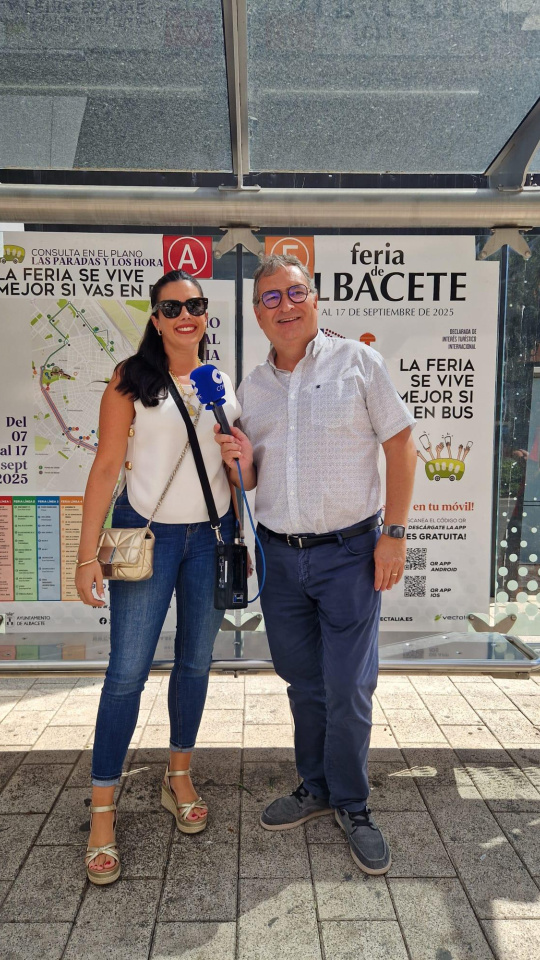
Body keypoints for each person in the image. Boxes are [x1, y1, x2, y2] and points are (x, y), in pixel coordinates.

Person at [215, 253, 416, 876]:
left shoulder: (360, 363)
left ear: (316, 298)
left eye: (294, 293)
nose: (284, 306)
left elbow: (403, 448)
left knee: (349, 686)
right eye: (270, 298)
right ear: (257, 313)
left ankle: (354, 803)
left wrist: (395, 535)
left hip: (352, 555)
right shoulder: (253, 386)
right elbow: (250, 479)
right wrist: (240, 460)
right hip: (280, 557)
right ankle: (316, 785)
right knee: (302, 682)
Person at [75, 269, 240, 885]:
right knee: (126, 674)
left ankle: (178, 775)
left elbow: (238, 475)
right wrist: (86, 554)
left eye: (195, 305)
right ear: (155, 317)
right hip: (143, 538)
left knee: (197, 663)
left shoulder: (219, 380)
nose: (185, 315)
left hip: (210, 539)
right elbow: (105, 467)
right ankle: (101, 807)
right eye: (172, 307)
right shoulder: (130, 379)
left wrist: (241, 462)